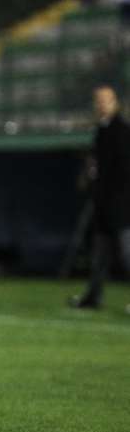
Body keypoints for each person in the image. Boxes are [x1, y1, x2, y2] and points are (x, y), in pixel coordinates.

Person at [69, 84, 130, 310]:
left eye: (106, 100)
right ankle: (93, 297)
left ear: (115, 103)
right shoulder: (102, 130)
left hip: (121, 204)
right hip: (104, 203)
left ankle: (93, 297)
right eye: (98, 100)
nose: (101, 104)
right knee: (100, 255)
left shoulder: (122, 130)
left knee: (126, 252)